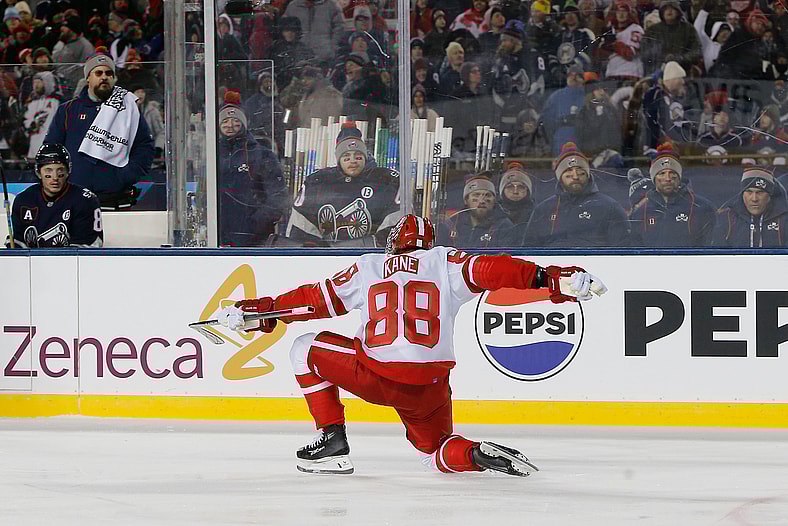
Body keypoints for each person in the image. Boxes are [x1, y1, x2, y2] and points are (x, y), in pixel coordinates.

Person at [216, 214, 607, 475]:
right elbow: (495, 269)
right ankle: (473, 454)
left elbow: (314, 301)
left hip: (375, 375)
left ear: (395, 241)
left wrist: (260, 312)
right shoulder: (447, 262)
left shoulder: (369, 266)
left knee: (302, 348)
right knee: (432, 452)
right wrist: (551, 278)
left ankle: (332, 439)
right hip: (429, 388)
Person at [44, 49, 154, 208]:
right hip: (75, 200)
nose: (104, 77)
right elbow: (52, 149)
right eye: (99, 73)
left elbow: (144, 146)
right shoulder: (67, 110)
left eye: (109, 73)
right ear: (88, 77)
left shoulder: (128, 109)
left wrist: (126, 175)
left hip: (116, 199)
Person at [286, 122, 400, 246]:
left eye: (358, 157)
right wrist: (317, 252)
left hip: (370, 258)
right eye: (346, 157)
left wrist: (374, 245)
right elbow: (301, 231)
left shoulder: (385, 182)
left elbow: (396, 228)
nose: (353, 161)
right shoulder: (317, 183)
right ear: (339, 160)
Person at [523, 142, 630, 247]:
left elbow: (623, 249)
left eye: (580, 171)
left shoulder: (609, 207)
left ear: (588, 175)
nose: (575, 176)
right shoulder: (543, 209)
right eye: (569, 171)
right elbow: (528, 249)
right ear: (560, 176)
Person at [217, 91, 288, 247]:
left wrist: (255, 226)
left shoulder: (263, 155)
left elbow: (277, 197)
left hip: (255, 241)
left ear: (243, 123)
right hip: (217, 239)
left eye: (235, 120)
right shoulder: (212, 155)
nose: (229, 125)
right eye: (225, 121)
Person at [5, 143, 103, 248]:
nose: (55, 177)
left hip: (72, 263)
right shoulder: (24, 200)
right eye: (48, 171)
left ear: (68, 171)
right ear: (38, 172)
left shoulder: (85, 200)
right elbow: (18, 242)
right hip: (33, 263)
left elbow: (87, 248)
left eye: (60, 170)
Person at [628, 144, 716, 247]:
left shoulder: (703, 208)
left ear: (679, 177)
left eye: (672, 173)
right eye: (662, 173)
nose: (668, 178)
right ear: (654, 178)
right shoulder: (640, 212)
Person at [713, 167, 788, 247]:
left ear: (769, 195)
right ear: (742, 194)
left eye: (760, 192)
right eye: (749, 192)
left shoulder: (785, 219)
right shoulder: (726, 218)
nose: (754, 199)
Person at [436, 173, 516, 248]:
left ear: (494, 201)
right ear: (466, 200)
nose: (481, 200)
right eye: (476, 195)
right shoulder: (452, 224)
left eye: (488, 195)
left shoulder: (504, 226)